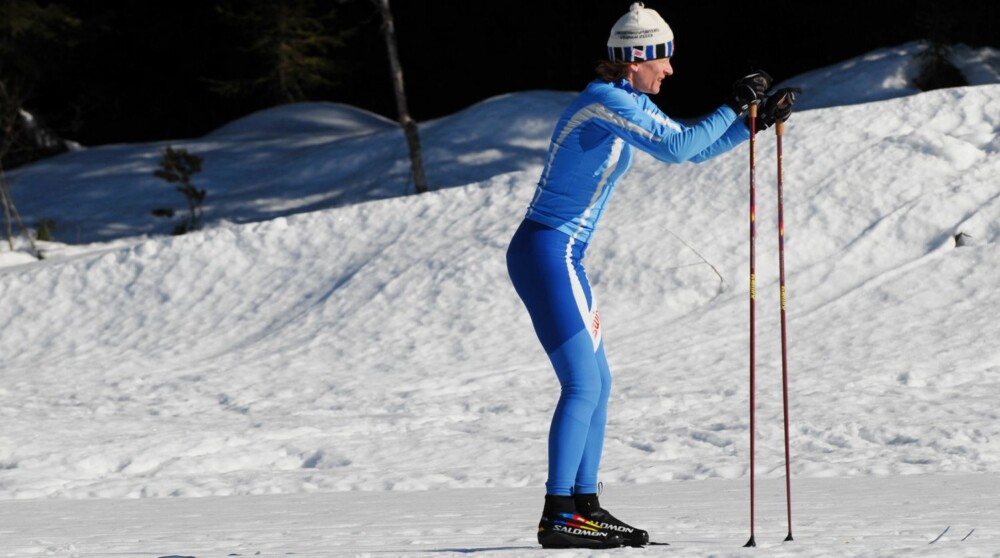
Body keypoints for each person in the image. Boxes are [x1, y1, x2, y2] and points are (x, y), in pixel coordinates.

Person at [505, 2, 798, 550]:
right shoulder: (604, 100)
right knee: (582, 383)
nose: (669, 69)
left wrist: (752, 127)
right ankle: (559, 513)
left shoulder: (627, 101)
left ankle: (585, 504)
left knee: (600, 383)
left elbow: (687, 152)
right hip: (548, 252)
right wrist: (734, 103)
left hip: (564, 255)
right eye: (663, 57)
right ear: (636, 57)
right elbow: (678, 145)